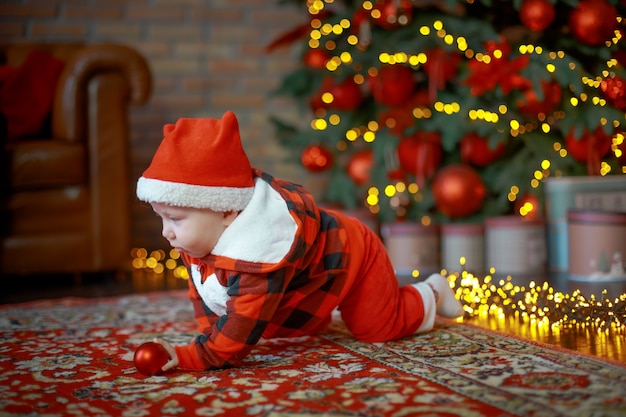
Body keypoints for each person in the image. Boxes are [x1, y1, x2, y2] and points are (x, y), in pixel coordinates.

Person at [136, 111, 464, 372]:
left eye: (176, 219)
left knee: (377, 328)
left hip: (354, 255)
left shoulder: (256, 258)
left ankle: (431, 292)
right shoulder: (197, 240)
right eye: (162, 218)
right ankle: (320, 307)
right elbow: (202, 293)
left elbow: (233, 342)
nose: (166, 231)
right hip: (314, 271)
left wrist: (194, 355)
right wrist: (209, 332)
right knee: (290, 323)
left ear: (226, 212)